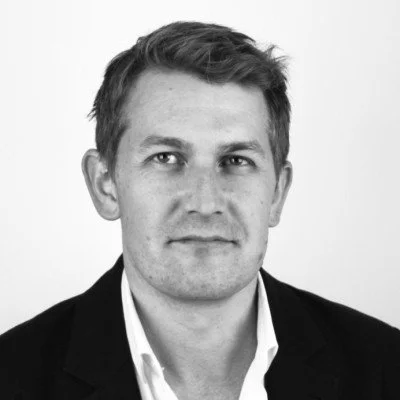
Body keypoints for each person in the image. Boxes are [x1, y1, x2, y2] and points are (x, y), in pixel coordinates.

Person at [1, 21, 399, 400]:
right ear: (105, 184)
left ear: (277, 192)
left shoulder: (386, 368)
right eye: (166, 157)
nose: (205, 202)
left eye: (237, 160)